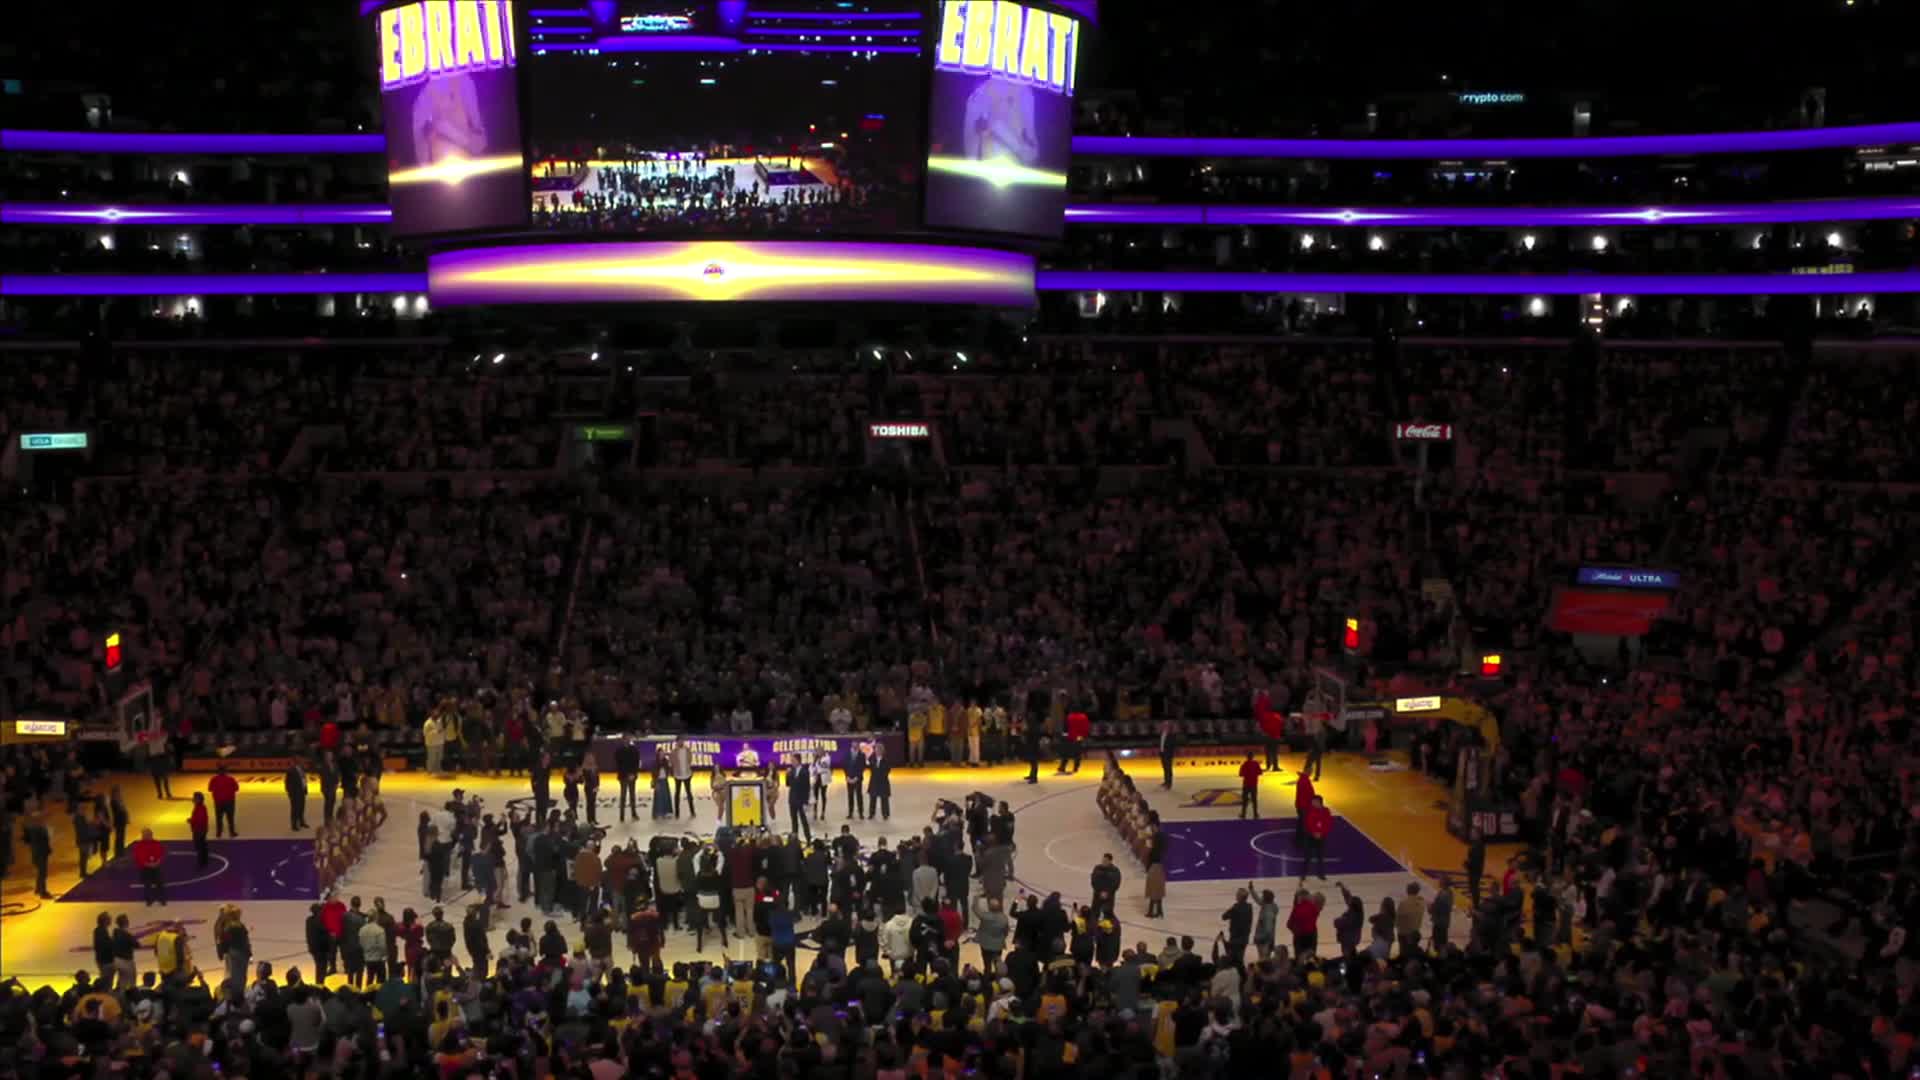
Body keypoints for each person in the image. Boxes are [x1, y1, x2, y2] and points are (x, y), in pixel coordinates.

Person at [133, 827, 168, 906]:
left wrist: (157, 862)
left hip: (156, 867)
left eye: (148, 834)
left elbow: (161, 854)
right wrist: (148, 864)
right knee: (147, 884)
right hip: (145, 868)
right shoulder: (139, 846)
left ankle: (162, 898)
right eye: (145, 835)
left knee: (160, 883)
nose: (147, 836)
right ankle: (149, 900)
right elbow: (138, 858)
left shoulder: (157, 843)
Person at [1220, 887, 1253, 972]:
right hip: (1245, 938)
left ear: (1240, 897)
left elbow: (1224, 916)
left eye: (1237, 894)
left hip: (1235, 938)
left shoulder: (1236, 908)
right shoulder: (1249, 907)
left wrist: (1233, 907)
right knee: (1240, 959)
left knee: (1233, 960)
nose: (1236, 896)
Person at [1301, 795, 1332, 879]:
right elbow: (1308, 823)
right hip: (1311, 837)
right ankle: (1304, 874)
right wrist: (1314, 833)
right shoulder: (1309, 811)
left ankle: (1321, 873)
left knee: (1320, 856)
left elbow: (1328, 824)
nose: (1312, 803)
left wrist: (1321, 833)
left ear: (1319, 802)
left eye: (1314, 801)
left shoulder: (1326, 811)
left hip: (1321, 837)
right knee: (1308, 856)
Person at [24, 811, 53, 898]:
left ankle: (37, 889)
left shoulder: (31, 828)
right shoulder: (39, 828)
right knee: (42, 873)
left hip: (36, 852)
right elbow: (44, 840)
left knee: (40, 872)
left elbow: (27, 841)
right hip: (41, 853)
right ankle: (43, 892)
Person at [208, 765, 239, 838]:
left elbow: (210, 789)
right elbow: (236, 788)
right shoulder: (231, 779)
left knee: (219, 818)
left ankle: (219, 832)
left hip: (218, 802)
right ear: (226, 771)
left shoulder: (214, 779)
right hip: (229, 801)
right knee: (230, 818)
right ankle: (232, 832)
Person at [615, 738, 641, 822]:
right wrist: (627, 774)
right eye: (625, 739)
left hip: (632, 776)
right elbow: (618, 764)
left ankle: (634, 814)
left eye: (627, 739)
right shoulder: (619, 750)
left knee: (632, 796)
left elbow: (636, 762)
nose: (626, 741)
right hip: (623, 776)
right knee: (623, 796)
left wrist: (633, 774)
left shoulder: (634, 750)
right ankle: (622, 816)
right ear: (622, 740)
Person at [670, 740, 695, 817]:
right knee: (677, 794)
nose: (681, 742)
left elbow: (690, 760)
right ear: (677, 742)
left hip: (687, 775)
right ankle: (677, 813)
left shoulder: (687, 750)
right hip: (678, 775)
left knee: (689, 793)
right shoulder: (674, 751)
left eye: (682, 741)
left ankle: (692, 811)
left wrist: (689, 769)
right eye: (679, 741)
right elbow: (672, 761)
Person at [868, 747, 892, 821]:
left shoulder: (886, 760)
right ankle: (871, 813)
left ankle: (885, 813)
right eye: (876, 750)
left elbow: (887, 770)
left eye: (879, 750)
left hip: (883, 781)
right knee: (872, 798)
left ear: (882, 751)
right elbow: (870, 767)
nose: (877, 752)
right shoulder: (872, 759)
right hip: (874, 781)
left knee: (884, 799)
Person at [844, 743, 867, 820]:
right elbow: (845, 766)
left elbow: (863, 767)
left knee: (859, 796)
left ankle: (861, 813)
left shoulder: (862, 755)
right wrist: (847, 776)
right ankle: (850, 813)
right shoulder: (847, 754)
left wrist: (857, 777)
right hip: (849, 779)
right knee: (850, 796)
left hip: (858, 779)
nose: (854, 747)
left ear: (858, 747)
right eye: (853, 746)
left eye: (856, 746)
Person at [285, 758, 309, 830]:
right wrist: (290, 793)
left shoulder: (302, 769)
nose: (303, 763)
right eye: (301, 761)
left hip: (302, 792)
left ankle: (301, 821)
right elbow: (287, 783)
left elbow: (304, 780)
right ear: (297, 762)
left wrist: (305, 789)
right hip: (295, 793)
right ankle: (294, 825)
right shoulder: (291, 770)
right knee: (295, 809)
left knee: (301, 807)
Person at [1237, 752, 1263, 819]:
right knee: (1254, 800)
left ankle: (1243, 814)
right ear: (1253, 757)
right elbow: (1260, 772)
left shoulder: (1244, 764)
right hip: (1254, 784)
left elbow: (1240, 774)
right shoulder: (1256, 764)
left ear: (1247, 757)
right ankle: (1255, 814)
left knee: (1245, 800)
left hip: (1246, 785)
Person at [1157, 719, 1179, 789]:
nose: (1164, 726)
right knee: (1165, 768)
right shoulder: (1162, 734)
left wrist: (1170, 753)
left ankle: (1169, 784)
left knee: (1168, 768)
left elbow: (1173, 745)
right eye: (1164, 725)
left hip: (1168, 754)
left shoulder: (1172, 735)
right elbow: (1161, 744)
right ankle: (1166, 781)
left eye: (1166, 725)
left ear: (1169, 727)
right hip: (1162, 753)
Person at [109, 787, 130, 859]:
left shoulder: (119, 801)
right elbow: (118, 811)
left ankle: (121, 851)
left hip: (122, 821)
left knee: (122, 836)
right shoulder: (113, 802)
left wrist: (127, 818)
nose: (120, 794)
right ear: (115, 794)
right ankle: (118, 852)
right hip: (118, 822)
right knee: (119, 837)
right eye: (119, 793)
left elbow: (124, 810)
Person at [423, 709, 446, 776]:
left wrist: (443, 736)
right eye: (435, 714)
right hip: (431, 743)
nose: (437, 715)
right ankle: (430, 771)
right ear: (432, 714)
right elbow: (425, 733)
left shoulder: (440, 721)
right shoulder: (427, 723)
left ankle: (438, 769)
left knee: (439, 757)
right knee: (431, 758)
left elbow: (442, 730)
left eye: (437, 714)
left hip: (440, 742)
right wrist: (436, 732)